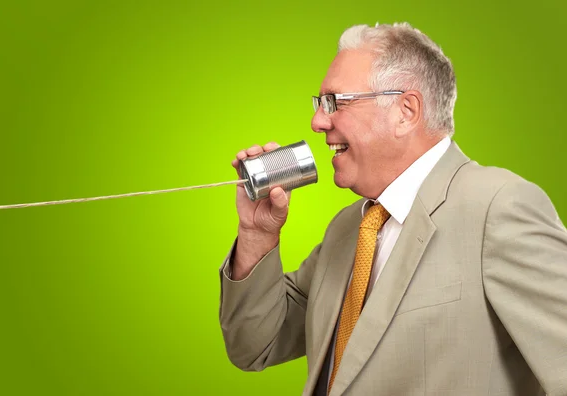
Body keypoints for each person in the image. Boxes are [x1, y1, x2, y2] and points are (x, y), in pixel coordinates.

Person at [219, 22, 567, 396]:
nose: (318, 122)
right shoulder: (348, 228)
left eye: (335, 102)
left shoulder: (499, 206)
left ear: (406, 110)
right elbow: (255, 345)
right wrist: (257, 235)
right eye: (319, 104)